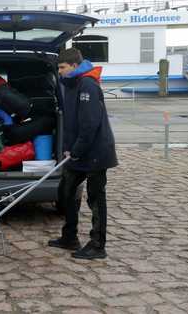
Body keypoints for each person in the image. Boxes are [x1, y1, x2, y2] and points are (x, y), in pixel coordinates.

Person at [50, 48, 118, 260]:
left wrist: (76, 150)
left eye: (62, 67)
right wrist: (67, 148)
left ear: (74, 66)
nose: (59, 72)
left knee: (96, 198)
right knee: (67, 192)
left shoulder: (87, 84)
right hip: (77, 152)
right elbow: (71, 123)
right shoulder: (70, 85)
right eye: (58, 68)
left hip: (95, 151)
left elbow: (89, 124)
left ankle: (98, 245)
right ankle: (69, 237)